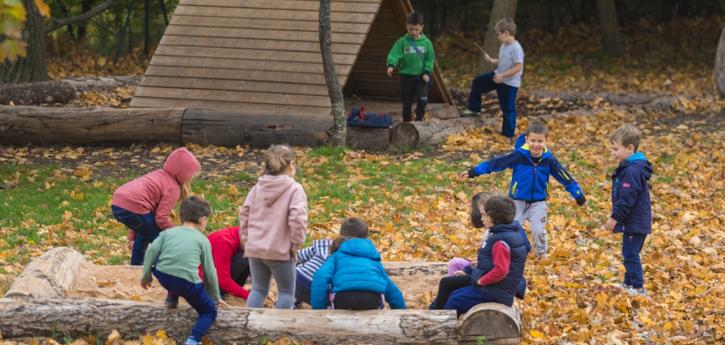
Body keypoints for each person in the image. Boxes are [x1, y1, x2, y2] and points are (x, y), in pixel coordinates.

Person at [460, 121, 586, 257]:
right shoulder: (518, 156)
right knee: (510, 228)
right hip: (517, 202)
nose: (536, 145)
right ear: (527, 139)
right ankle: (503, 251)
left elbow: (565, 177)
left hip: (538, 203)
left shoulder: (549, 160)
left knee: (538, 231)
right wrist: (474, 171)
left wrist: (578, 196)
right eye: (533, 140)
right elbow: (496, 163)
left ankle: (541, 256)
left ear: (546, 141)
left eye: (540, 141)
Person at [141, 196, 227, 345]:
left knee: (172, 266)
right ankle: (193, 341)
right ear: (202, 219)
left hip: (163, 276)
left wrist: (146, 274)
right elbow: (209, 271)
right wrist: (215, 296)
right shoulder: (202, 240)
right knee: (209, 312)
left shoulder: (168, 233)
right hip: (186, 283)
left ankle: (171, 300)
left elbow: (151, 250)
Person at [430, 192, 530, 310]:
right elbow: (488, 262)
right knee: (454, 292)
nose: (481, 218)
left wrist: (482, 281)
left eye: (484, 215)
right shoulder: (502, 235)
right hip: (495, 288)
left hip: (494, 291)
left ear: (492, 218)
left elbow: (501, 270)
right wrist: (469, 271)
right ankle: (435, 313)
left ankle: (442, 322)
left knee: (455, 300)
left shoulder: (501, 241)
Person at [240, 145, 307, 309]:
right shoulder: (294, 189)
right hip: (280, 251)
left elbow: (245, 213)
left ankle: (249, 324)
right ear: (291, 165)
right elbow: (298, 218)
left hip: (255, 249)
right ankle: (279, 331)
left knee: (258, 289)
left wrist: (245, 239)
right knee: (286, 292)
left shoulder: (257, 187)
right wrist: (295, 244)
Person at [112, 147, 200, 265]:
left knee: (145, 233)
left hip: (118, 202)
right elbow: (161, 219)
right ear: (183, 175)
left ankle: (136, 266)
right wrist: (177, 232)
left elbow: (143, 212)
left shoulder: (158, 175)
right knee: (161, 238)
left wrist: (133, 232)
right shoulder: (172, 188)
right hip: (133, 208)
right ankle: (169, 267)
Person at [310, 218, 406, 310]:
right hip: (372, 298)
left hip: (343, 298)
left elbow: (320, 276)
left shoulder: (337, 256)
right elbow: (391, 289)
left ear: (341, 236)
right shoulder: (372, 258)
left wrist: (319, 308)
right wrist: (400, 311)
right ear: (365, 237)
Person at [604, 124, 653, 296]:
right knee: (629, 252)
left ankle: (638, 288)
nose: (613, 153)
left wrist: (614, 217)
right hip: (635, 221)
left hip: (636, 221)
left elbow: (627, 198)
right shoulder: (630, 167)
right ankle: (628, 283)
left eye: (616, 149)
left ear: (630, 148)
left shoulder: (632, 171)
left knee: (630, 253)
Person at [460, 18, 524, 139]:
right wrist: (491, 60)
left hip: (509, 83)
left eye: (498, 34)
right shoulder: (504, 45)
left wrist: (503, 76)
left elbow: (518, 67)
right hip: (498, 76)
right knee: (478, 82)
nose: (497, 37)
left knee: (508, 108)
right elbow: (503, 60)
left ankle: (508, 135)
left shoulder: (516, 48)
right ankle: (474, 109)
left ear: (506, 33)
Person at [386, 12, 435, 122]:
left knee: (423, 100)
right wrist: (391, 65)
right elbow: (394, 54)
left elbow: (430, 59)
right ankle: (406, 123)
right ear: (407, 26)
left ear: (422, 27)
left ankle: (419, 121)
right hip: (406, 77)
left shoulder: (427, 43)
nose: (413, 32)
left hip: (421, 77)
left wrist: (427, 71)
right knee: (407, 103)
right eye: (411, 29)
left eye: (416, 29)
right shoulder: (402, 42)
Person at [207, 226, 250, 300]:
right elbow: (223, 279)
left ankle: (232, 291)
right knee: (245, 257)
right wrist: (248, 295)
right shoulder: (224, 241)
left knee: (248, 257)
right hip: (206, 283)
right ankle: (221, 293)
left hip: (216, 276)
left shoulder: (238, 234)